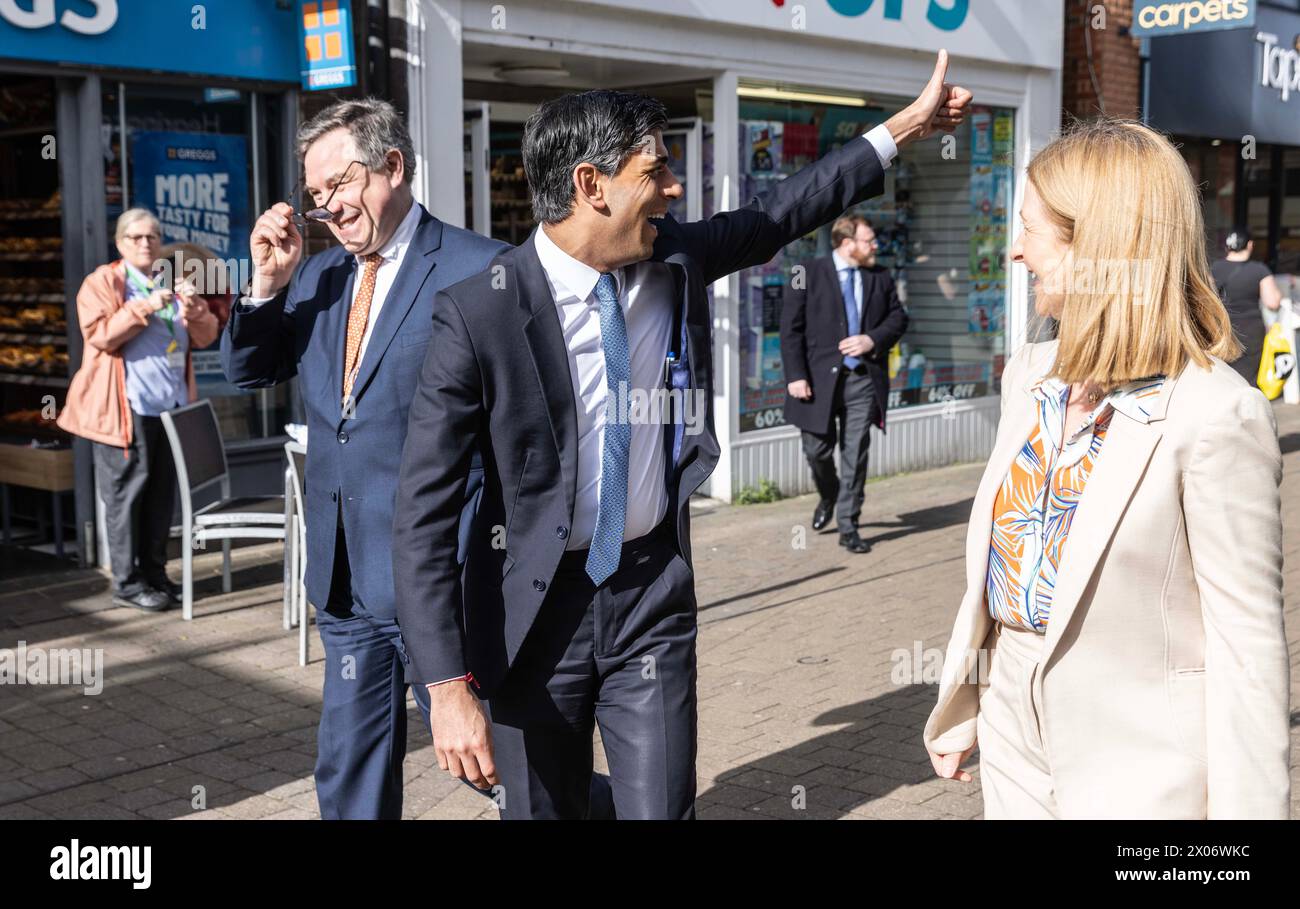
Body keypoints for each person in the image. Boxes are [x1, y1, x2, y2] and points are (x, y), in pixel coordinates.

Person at [392, 52, 972, 819]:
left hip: (649, 597)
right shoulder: (479, 312)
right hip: (529, 618)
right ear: (589, 186)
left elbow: (786, 210)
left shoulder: (675, 258)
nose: (673, 188)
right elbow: (422, 511)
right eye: (656, 170)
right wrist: (444, 688)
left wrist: (904, 127)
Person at [923, 119, 1290, 819]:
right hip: (1011, 735)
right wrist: (968, 700)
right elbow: (1003, 575)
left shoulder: (1215, 413)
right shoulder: (1031, 374)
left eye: (1030, 230)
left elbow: (1248, 653)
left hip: (1142, 771)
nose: (1014, 251)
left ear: (1095, 246)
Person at [220, 99, 508, 820]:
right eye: (316, 196)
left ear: (393, 166)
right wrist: (266, 286)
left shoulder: (482, 270)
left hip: (445, 578)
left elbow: (522, 443)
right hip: (345, 577)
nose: (329, 209)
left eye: (340, 185)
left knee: (494, 763)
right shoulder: (316, 280)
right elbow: (249, 372)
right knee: (349, 773)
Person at [58, 208, 219, 611]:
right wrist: (144, 307)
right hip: (126, 409)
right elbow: (99, 337)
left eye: (152, 236)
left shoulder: (169, 279)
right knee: (126, 496)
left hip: (172, 409)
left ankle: (155, 574)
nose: (146, 244)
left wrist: (195, 308)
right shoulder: (104, 282)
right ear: (119, 243)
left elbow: (206, 336)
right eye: (136, 237)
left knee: (161, 495)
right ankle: (127, 583)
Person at [780, 214, 908, 553]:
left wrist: (871, 339)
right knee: (816, 451)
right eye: (869, 240)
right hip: (815, 381)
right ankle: (829, 494)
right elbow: (789, 329)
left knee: (856, 452)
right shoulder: (804, 272)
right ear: (847, 243)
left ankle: (849, 525)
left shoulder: (880, 276)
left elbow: (898, 318)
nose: (876, 245)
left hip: (863, 378)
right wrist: (795, 375)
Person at [1210, 227, 1282, 385]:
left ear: (1227, 246)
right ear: (1250, 245)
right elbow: (1272, 302)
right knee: (1247, 380)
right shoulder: (1259, 270)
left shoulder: (1214, 268)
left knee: (1222, 376)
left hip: (1221, 328)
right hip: (1251, 330)